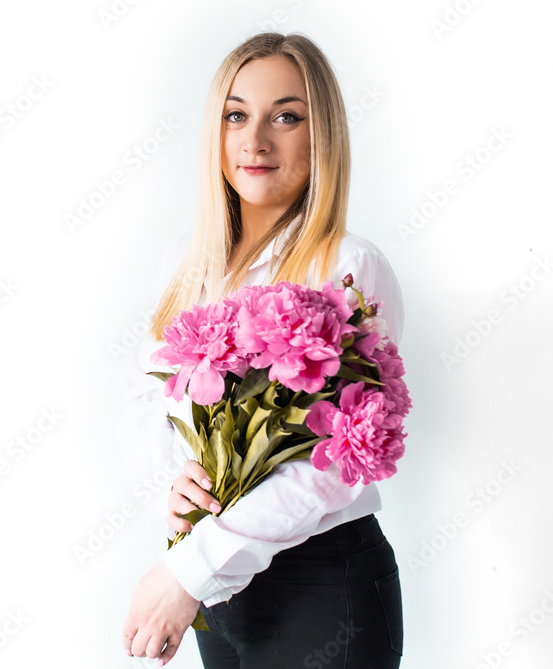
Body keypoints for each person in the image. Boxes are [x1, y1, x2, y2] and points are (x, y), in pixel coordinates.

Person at [120, 32, 405, 667]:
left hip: (321, 587)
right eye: (236, 114)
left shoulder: (347, 265)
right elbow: (147, 396)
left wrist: (186, 573)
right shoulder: (188, 265)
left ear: (320, 135)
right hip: (222, 598)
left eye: (286, 116)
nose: (255, 140)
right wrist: (174, 483)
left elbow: (330, 465)